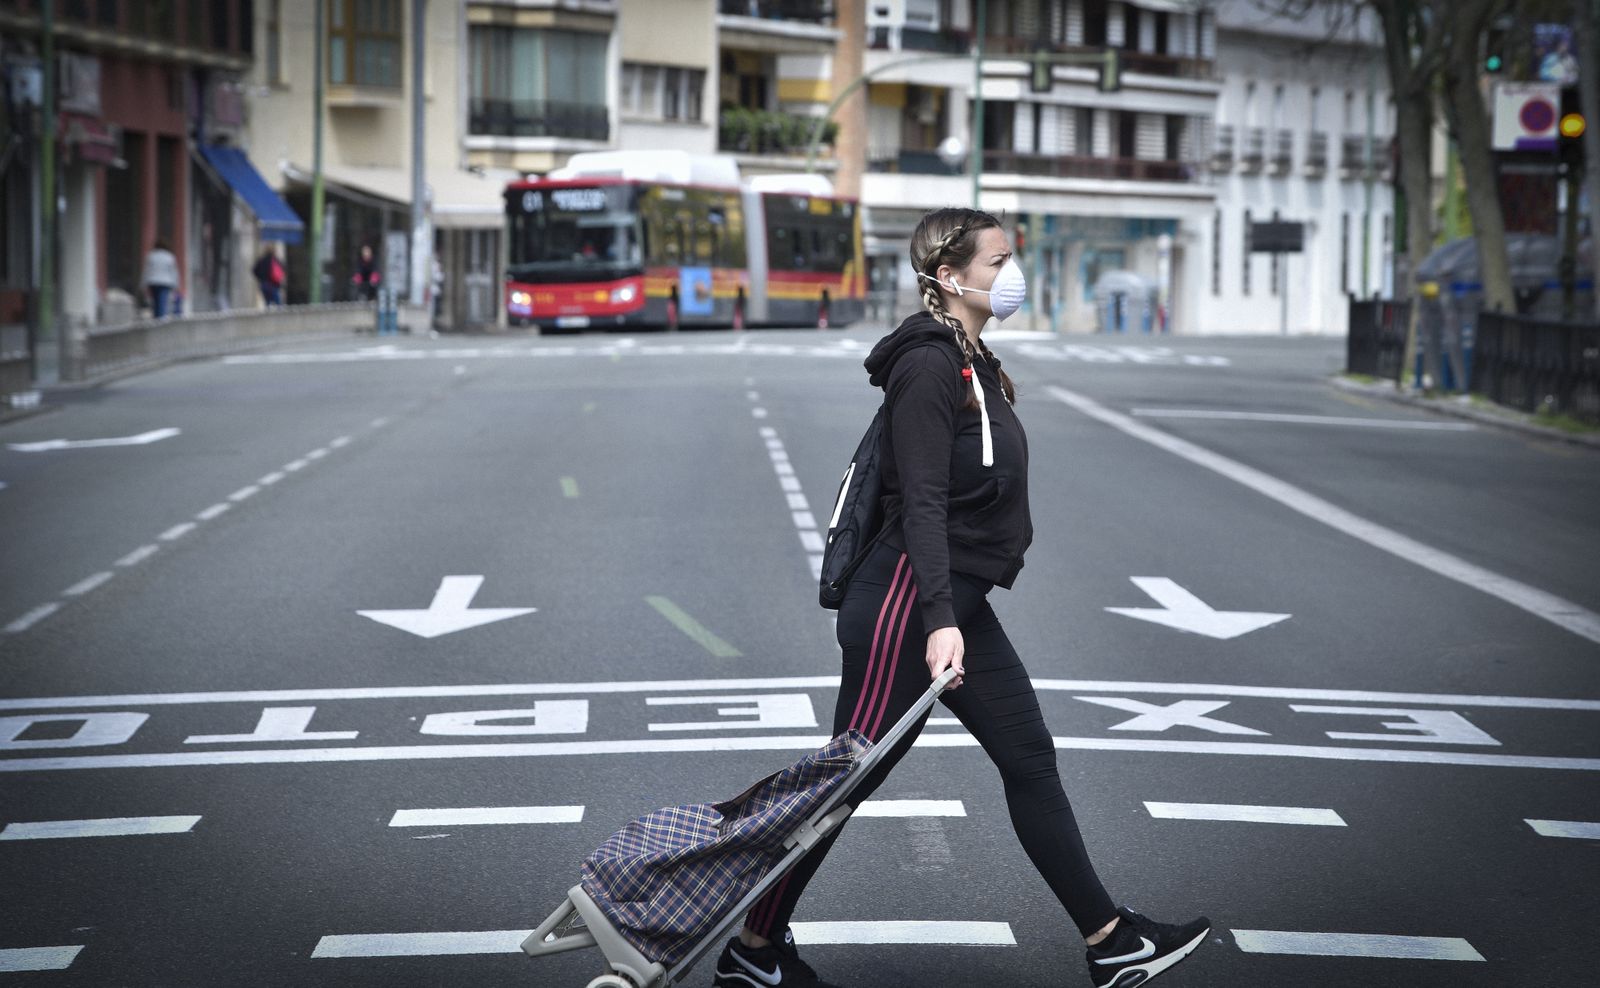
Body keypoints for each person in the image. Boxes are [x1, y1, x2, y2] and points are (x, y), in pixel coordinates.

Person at [710, 208, 1210, 988]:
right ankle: (752, 949)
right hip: (907, 604)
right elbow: (923, 506)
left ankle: (1111, 943)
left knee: (1029, 758)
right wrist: (939, 620)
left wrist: (953, 610)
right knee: (844, 781)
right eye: (998, 260)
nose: (1012, 274)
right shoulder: (927, 365)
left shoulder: (970, 355)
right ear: (951, 276)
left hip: (950, 599)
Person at [142, 239, 179, 318]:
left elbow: (146, 271)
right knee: (162, 301)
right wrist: (176, 284)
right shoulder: (169, 256)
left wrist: (143, 284)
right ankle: (161, 318)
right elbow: (173, 272)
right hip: (165, 282)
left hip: (153, 282)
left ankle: (156, 317)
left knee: (155, 302)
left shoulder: (151, 256)